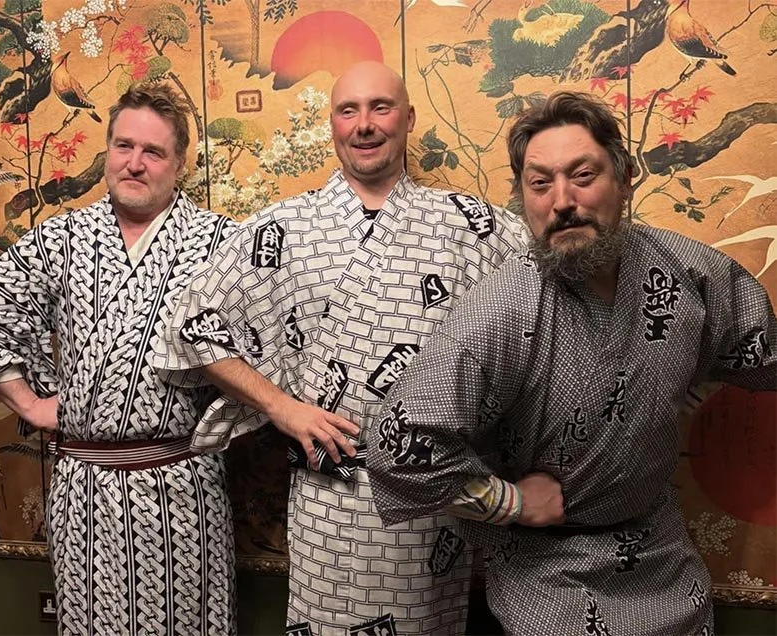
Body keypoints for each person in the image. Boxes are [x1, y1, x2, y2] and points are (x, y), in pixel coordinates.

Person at [366, 91, 777, 635]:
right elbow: (398, 444)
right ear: (524, 200)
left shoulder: (688, 273)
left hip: (664, 559)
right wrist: (511, 502)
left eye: (582, 175)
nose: (562, 200)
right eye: (540, 184)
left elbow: (761, 351)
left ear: (624, 177)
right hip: (549, 576)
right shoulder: (503, 307)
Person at [152, 61, 527, 636]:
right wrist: (282, 406)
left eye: (381, 107)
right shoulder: (283, 226)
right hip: (327, 500)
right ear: (332, 124)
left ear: (408, 119)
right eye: (348, 110)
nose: (365, 124)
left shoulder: (472, 228)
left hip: (433, 505)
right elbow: (192, 326)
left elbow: (545, 315)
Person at [0, 84, 237, 635]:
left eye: (153, 151)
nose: (134, 163)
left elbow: (270, 350)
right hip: (86, 489)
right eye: (123, 146)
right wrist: (30, 401)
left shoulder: (220, 243)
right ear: (108, 149)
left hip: (182, 486)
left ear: (179, 163)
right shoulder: (63, 238)